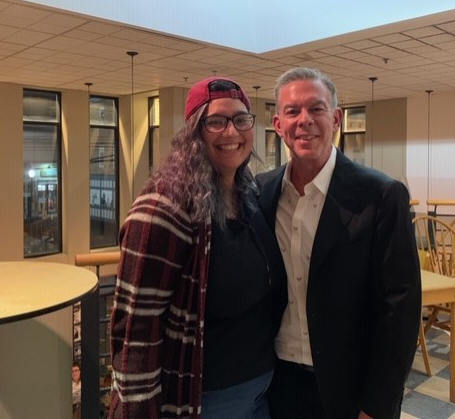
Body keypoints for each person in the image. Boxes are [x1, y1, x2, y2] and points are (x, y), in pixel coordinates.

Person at [108, 77, 286, 419]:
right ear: (193, 132)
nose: (231, 131)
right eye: (216, 121)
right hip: (205, 400)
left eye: (241, 119)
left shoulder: (248, 191)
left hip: (262, 389)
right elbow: (136, 328)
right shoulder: (164, 206)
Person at [256, 67, 421, 419]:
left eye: (316, 108)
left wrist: (378, 404)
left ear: (336, 119)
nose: (304, 120)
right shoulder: (262, 192)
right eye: (293, 111)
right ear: (278, 125)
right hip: (277, 382)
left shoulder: (381, 195)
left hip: (352, 388)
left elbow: (401, 310)